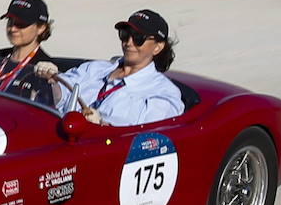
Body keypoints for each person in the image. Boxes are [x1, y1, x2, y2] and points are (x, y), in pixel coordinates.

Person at [35, 9, 183, 126]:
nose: (129, 43)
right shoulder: (95, 69)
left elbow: (149, 136)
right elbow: (63, 92)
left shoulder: (163, 93)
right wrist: (52, 79)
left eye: (139, 38)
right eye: (125, 35)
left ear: (157, 47)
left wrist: (102, 125)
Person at [0, 0, 57, 106]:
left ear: (41, 28)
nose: (13, 29)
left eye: (21, 24)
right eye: (10, 21)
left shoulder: (45, 68)